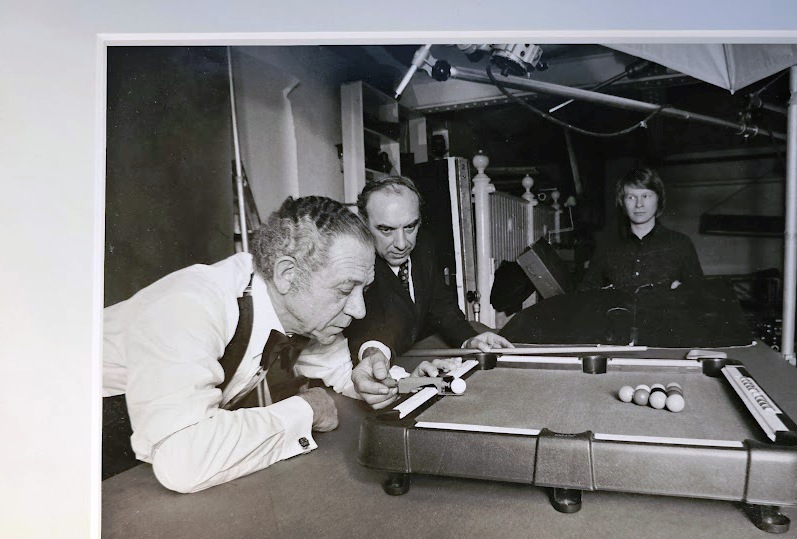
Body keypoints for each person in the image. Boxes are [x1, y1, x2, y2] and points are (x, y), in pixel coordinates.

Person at [102, 195, 376, 493]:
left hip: (150, 443)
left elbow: (338, 370)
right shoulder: (190, 304)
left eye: (364, 290)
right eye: (345, 289)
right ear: (287, 275)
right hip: (82, 429)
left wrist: (371, 380)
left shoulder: (296, 310)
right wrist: (305, 410)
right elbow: (183, 461)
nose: (359, 309)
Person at [345, 176, 513, 409]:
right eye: (386, 230)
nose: (402, 243)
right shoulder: (354, 263)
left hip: (417, 348)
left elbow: (440, 302)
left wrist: (468, 338)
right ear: (364, 224)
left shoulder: (424, 244)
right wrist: (374, 355)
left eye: (410, 227)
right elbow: (369, 326)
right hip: (381, 362)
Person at [578, 167, 703, 292]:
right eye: (631, 197)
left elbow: (701, 297)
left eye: (646, 196)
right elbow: (584, 293)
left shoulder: (681, 244)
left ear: (658, 199)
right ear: (622, 202)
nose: (639, 204)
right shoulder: (606, 244)